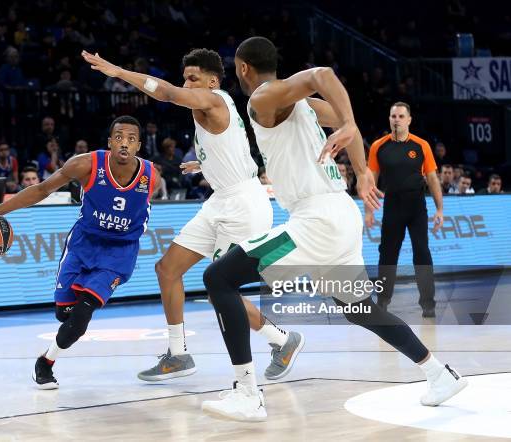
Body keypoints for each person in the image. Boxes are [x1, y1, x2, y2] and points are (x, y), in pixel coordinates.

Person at [199, 36, 467, 421]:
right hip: (340, 213)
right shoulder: (305, 106)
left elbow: (324, 75)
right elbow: (346, 125)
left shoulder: (261, 99)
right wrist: (360, 170)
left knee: (219, 278)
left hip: (315, 220)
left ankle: (246, 393)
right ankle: (439, 374)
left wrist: (353, 131)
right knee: (360, 309)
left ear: (242, 68)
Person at [83, 48, 303, 382]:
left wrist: (119, 71)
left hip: (243, 205)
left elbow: (167, 94)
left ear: (213, 81)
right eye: (185, 77)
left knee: (220, 289)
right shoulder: (212, 109)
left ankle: (282, 341)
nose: (187, 83)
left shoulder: (214, 100)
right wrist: (205, 164)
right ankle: (178, 354)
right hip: (221, 200)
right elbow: (236, 149)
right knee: (167, 269)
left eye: (194, 78)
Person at [0, 116, 159, 389]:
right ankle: (63, 330)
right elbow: (41, 189)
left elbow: (142, 211)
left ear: (139, 145)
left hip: (119, 253)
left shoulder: (151, 176)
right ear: (110, 142)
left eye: (131, 139)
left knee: (82, 315)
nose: (125, 143)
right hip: (83, 244)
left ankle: (45, 363)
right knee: (64, 315)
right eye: (119, 137)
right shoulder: (85, 164)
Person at [365, 102, 443, 318]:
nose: (396, 120)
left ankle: (428, 303)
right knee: (387, 255)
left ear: (409, 120)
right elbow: (370, 181)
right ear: (389, 119)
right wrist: (369, 211)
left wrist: (439, 209)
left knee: (422, 253)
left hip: (417, 206)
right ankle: (382, 301)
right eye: (393, 116)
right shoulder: (378, 146)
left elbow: (432, 178)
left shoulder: (421, 145)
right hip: (392, 206)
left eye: (400, 116)